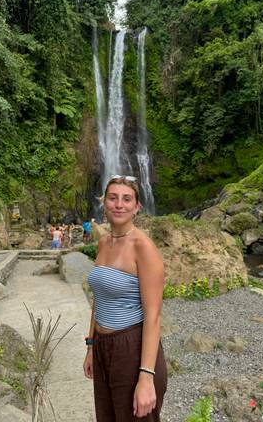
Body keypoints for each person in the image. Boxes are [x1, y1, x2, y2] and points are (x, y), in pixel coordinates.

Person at [83, 175, 167, 421]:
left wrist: (146, 377)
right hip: (102, 347)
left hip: (132, 348)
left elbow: (153, 315)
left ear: (137, 207)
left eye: (126, 199)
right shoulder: (103, 243)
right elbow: (98, 299)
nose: (119, 204)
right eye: (113, 198)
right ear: (104, 203)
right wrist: (91, 347)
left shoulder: (143, 247)